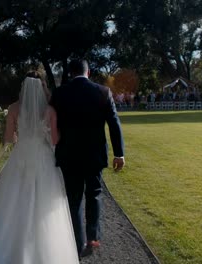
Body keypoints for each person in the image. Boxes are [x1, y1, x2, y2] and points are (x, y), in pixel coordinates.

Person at [0, 72, 80, 264]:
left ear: (24, 88)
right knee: (43, 202)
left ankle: (9, 247)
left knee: (15, 200)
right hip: (43, 157)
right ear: (40, 88)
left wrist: (19, 136)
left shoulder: (13, 108)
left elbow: (9, 138)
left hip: (21, 155)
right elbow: (54, 140)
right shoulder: (50, 110)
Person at [50, 59, 125, 257]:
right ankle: (93, 237)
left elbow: (51, 124)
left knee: (73, 199)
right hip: (94, 154)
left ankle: (77, 241)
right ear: (88, 72)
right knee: (94, 194)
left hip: (68, 154)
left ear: (70, 73)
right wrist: (119, 153)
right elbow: (114, 124)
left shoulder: (59, 93)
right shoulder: (103, 92)